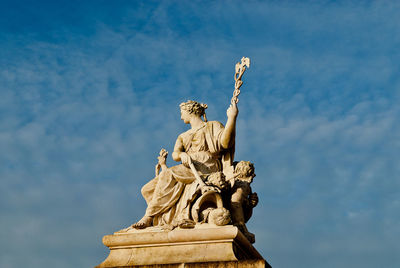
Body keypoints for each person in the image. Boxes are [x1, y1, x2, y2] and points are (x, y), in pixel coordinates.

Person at [128, 100, 238, 229]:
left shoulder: (213, 126)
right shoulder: (183, 136)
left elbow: (225, 143)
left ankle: (149, 217)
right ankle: (157, 215)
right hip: (188, 167)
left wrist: (232, 117)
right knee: (147, 189)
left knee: (168, 174)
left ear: (190, 111)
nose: (181, 117)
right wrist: (182, 155)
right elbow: (175, 154)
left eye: (182, 113)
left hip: (206, 166)